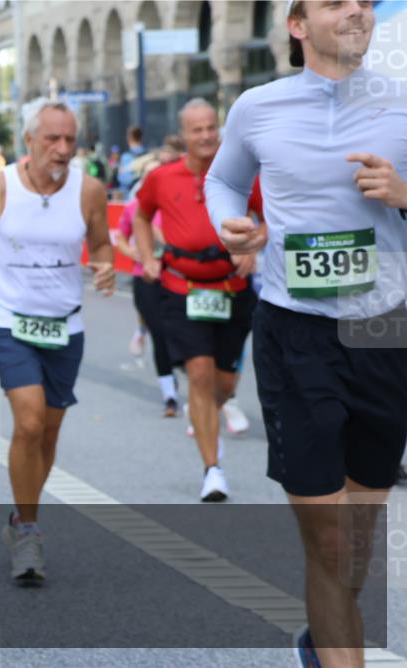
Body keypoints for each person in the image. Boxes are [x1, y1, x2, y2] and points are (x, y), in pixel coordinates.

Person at [206, 1, 407, 665]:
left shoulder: (402, 102)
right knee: (329, 540)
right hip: (296, 330)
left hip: (385, 331)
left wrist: (404, 194)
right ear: (297, 24)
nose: (356, 11)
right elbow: (223, 180)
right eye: (335, 2)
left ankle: (322, 640)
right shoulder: (258, 107)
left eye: (363, 2)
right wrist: (229, 224)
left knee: (356, 540)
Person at [0, 98, 116, 584]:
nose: (62, 148)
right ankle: (28, 530)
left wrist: (105, 266)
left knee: (47, 431)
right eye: (52, 138)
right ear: (29, 140)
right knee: (28, 420)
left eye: (70, 139)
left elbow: (101, 242)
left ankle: (21, 516)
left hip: (65, 325)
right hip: (9, 319)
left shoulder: (89, 190)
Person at [134, 98, 263, 503]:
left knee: (223, 383)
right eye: (197, 130)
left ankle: (204, 410)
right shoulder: (161, 177)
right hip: (182, 289)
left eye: (211, 127)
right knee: (200, 373)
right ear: (183, 135)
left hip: (232, 289)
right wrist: (146, 256)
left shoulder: (241, 174)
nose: (206, 136)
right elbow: (141, 215)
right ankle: (213, 469)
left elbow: (272, 215)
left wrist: (255, 247)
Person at [113, 162, 179, 416]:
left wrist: (155, 230)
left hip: (175, 278)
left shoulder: (174, 205)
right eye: (148, 174)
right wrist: (134, 253)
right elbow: (120, 238)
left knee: (176, 333)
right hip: (145, 279)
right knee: (160, 334)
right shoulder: (133, 207)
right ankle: (170, 395)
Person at [117, 125, 147, 194]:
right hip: (143, 192)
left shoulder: (126, 156)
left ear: (129, 138)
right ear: (141, 138)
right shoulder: (147, 156)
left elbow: (124, 179)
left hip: (129, 194)